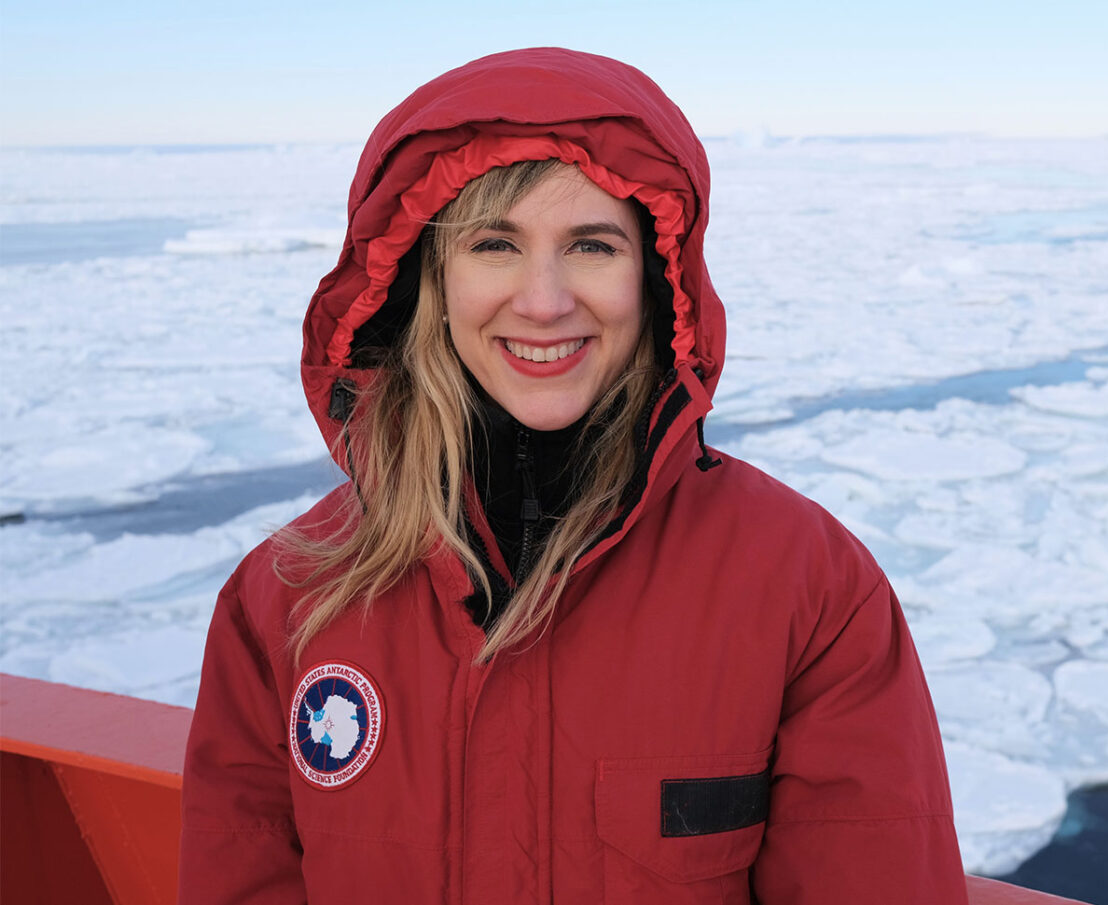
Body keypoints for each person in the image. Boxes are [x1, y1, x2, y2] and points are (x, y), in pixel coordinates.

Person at [178, 47, 968, 903]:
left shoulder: (806, 586)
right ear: (427, 281)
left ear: (658, 280)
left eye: (591, 245)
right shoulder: (289, 595)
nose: (545, 300)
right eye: (494, 244)